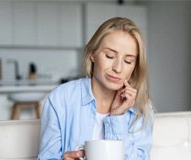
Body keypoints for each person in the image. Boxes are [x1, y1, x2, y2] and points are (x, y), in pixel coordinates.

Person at [37, 17, 154, 160]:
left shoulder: (141, 108)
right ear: (93, 54)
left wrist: (117, 117)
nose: (118, 68)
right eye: (110, 56)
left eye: (128, 61)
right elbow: (46, 157)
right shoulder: (61, 98)